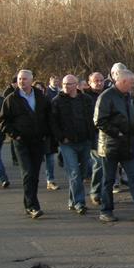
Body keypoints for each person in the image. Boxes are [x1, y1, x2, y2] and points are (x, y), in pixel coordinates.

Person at [94, 69, 134, 223]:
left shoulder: (128, 97)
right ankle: (106, 210)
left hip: (128, 145)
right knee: (108, 180)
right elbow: (99, 121)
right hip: (110, 146)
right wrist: (118, 134)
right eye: (131, 82)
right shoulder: (106, 97)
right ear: (122, 82)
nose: (133, 85)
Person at [0, 69, 54, 219]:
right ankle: (32, 206)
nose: (22, 82)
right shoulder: (11, 99)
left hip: (38, 141)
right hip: (21, 142)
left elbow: (49, 117)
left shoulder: (41, 97)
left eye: (25, 79)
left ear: (31, 80)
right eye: (20, 79)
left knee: (34, 174)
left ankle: (29, 203)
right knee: (28, 172)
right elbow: (3, 121)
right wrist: (15, 135)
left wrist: (47, 134)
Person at [51, 74, 95, 214]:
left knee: (81, 173)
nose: (66, 86)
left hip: (84, 141)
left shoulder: (86, 99)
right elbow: (53, 123)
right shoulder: (57, 101)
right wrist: (61, 138)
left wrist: (91, 136)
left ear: (76, 85)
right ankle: (79, 203)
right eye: (64, 84)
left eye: (69, 84)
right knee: (74, 172)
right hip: (67, 143)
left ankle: (72, 199)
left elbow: (91, 118)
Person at [83, 72, 106, 204]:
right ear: (90, 82)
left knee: (107, 165)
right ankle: (95, 192)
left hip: (108, 133)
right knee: (99, 164)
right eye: (95, 81)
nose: (98, 83)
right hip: (94, 134)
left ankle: (104, 192)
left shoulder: (108, 94)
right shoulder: (85, 97)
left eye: (101, 80)